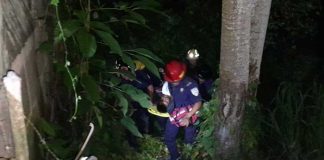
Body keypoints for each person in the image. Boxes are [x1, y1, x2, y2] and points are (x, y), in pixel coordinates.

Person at [161, 60, 202, 160]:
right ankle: (175, 157)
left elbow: (198, 102)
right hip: (174, 114)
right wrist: (165, 100)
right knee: (168, 138)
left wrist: (188, 116)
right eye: (173, 81)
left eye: (177, 81)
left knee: (189, 140)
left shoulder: (190, 84)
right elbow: (167, 96)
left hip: (190, 115)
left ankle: (188, 157)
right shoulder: (168, 84)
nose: (175, 82)